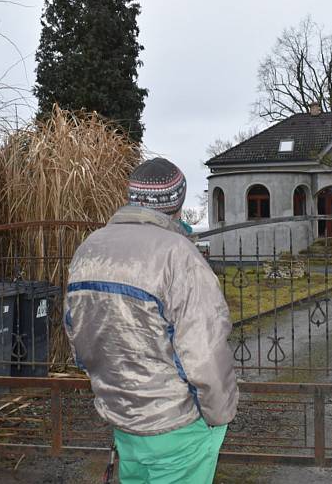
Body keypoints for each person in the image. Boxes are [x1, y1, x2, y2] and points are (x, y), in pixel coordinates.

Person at [65, 157, 238, 484]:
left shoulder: (88, 249)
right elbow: (204, 351)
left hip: (123, 420)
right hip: (177, 425)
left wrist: (114, 392)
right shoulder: (179, 255)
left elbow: (77, 336)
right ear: (177, 203)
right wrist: (218, 414)